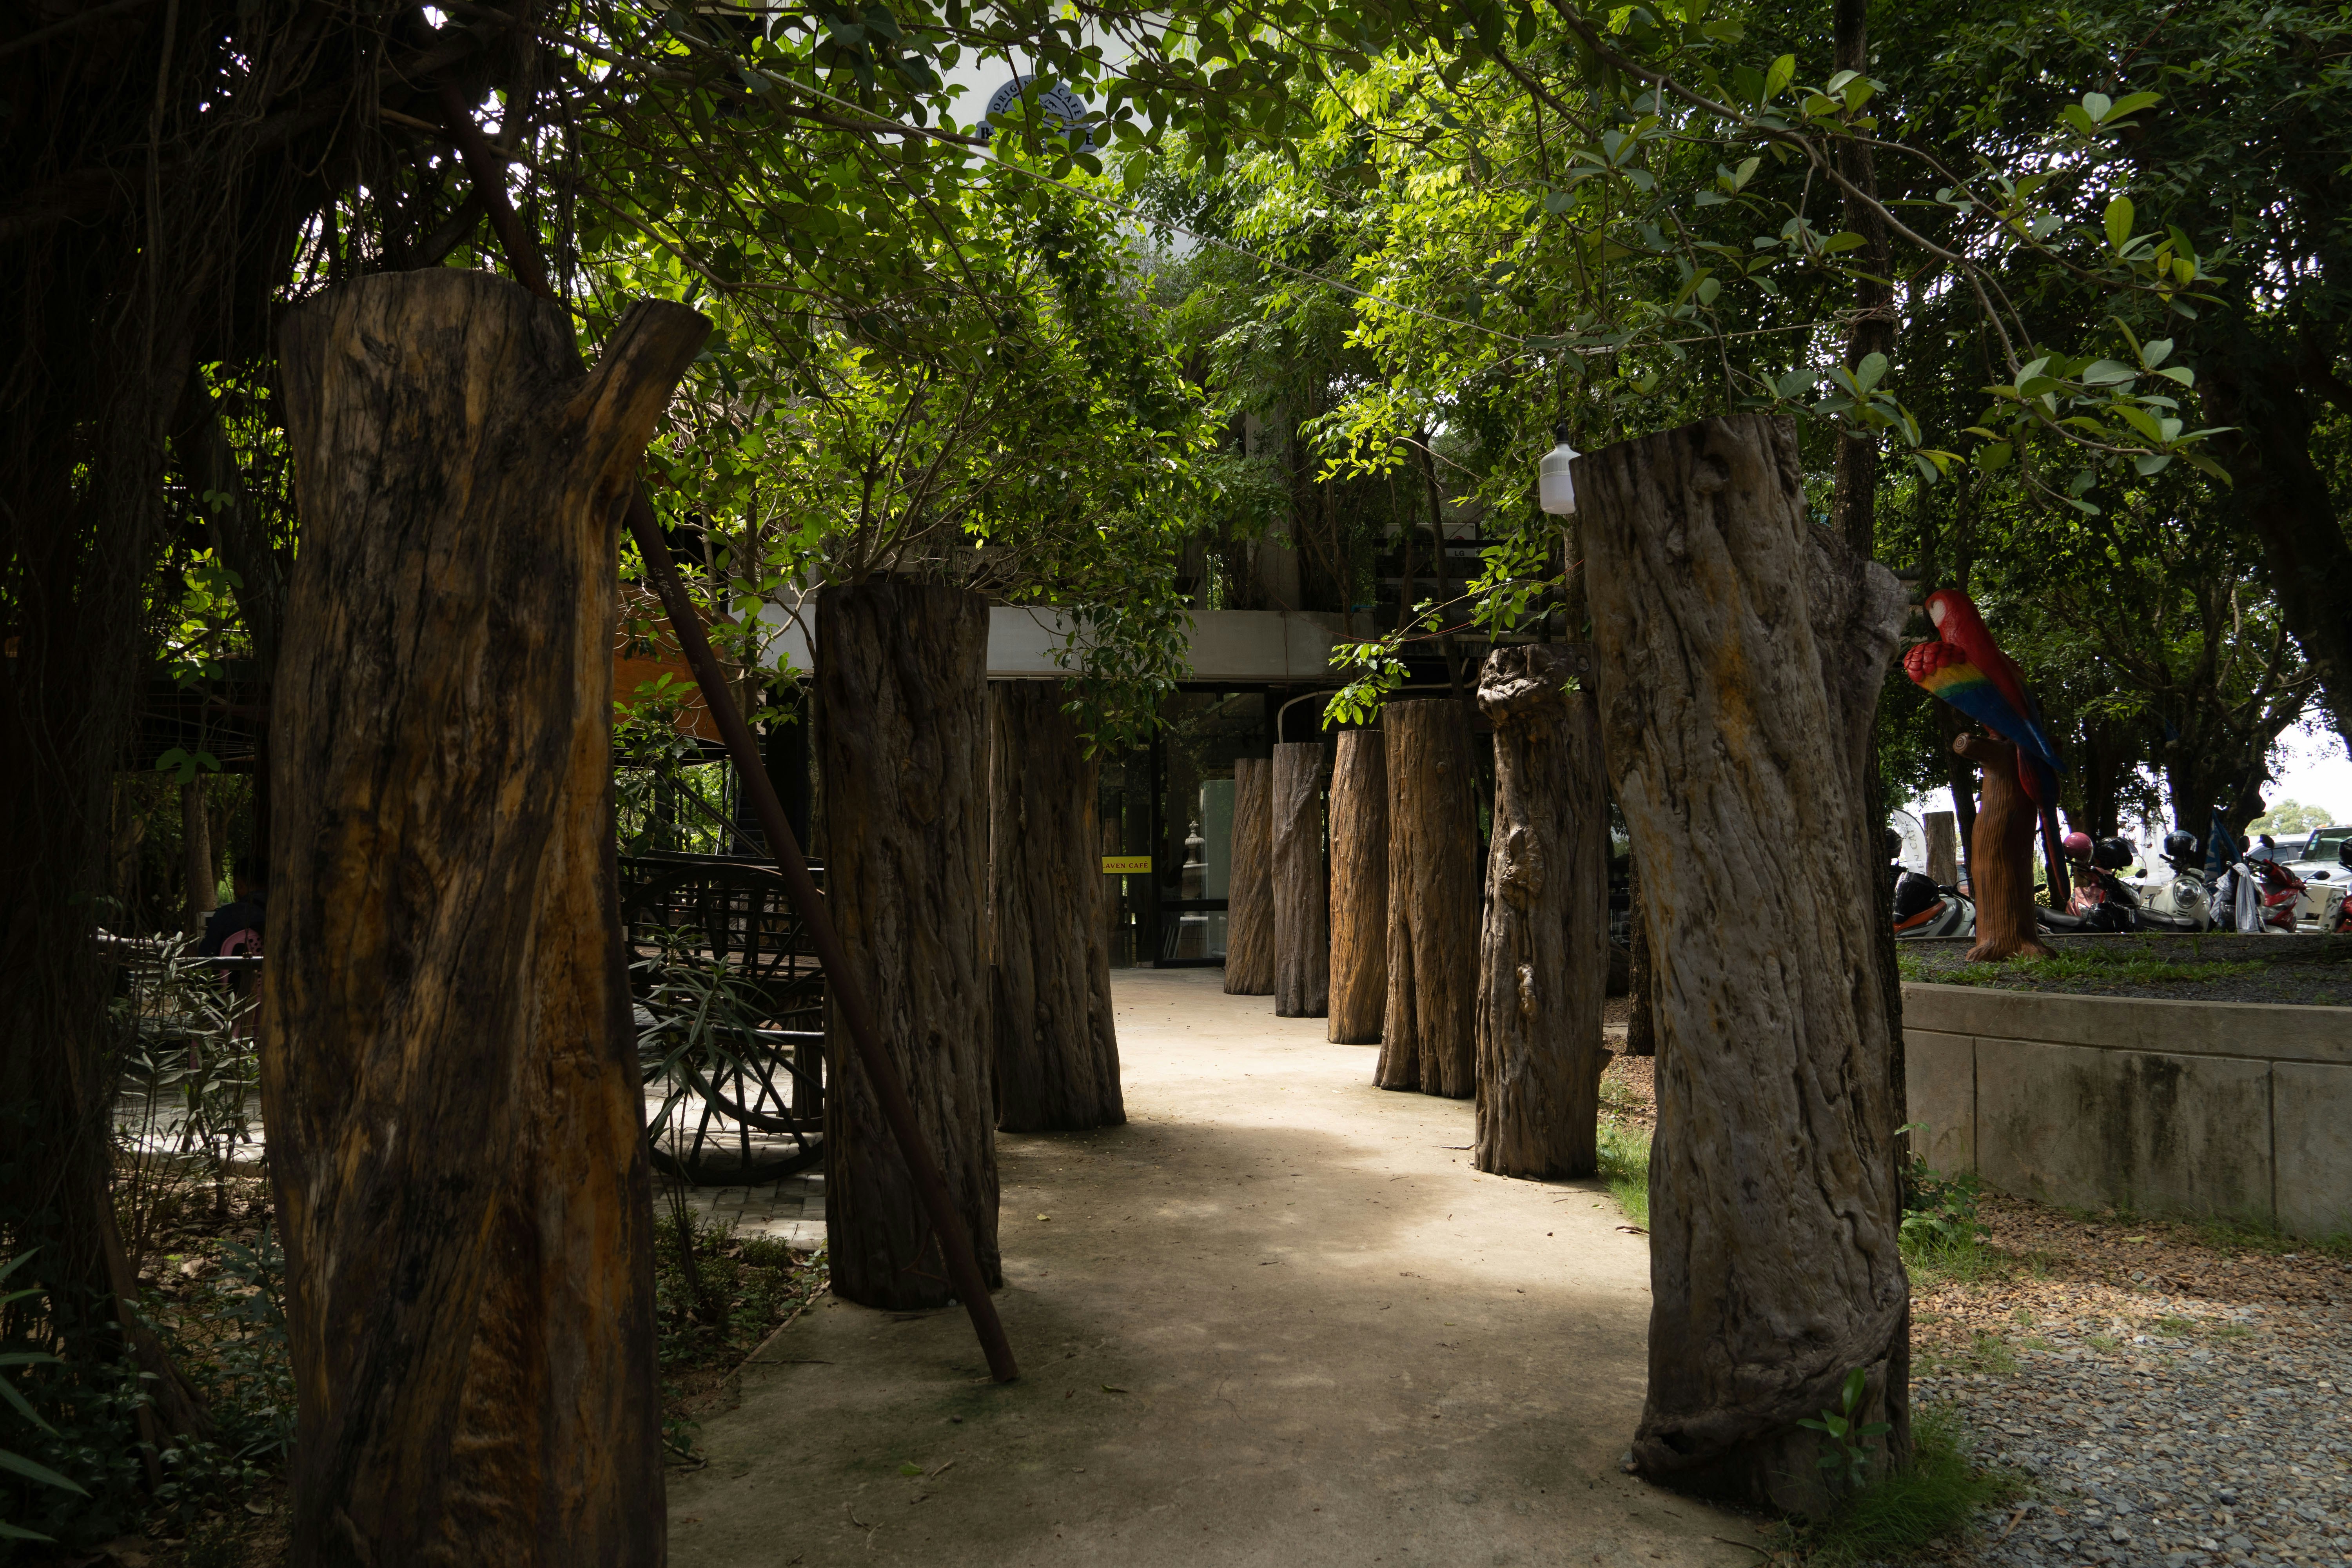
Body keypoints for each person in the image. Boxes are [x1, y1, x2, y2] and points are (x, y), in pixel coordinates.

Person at [200, 860, 266, 958]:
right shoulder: (286, 912)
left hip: (230, 973)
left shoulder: (227, 915)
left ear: (240, 885)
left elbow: (206, 956)